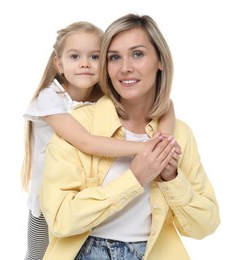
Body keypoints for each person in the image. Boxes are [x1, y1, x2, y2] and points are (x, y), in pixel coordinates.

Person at [39, 14, 220, 260]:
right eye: (114, 57)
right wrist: (135, 178)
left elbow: (205, 226)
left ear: (160, 61)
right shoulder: (79, 125)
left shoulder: (179, 133)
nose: (125, 67)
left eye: (137, 54)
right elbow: (60, 220)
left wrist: (171, 178)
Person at [21, 20, 175, 260]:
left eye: (94, 57)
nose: (84, 63)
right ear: (59, 64)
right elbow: (87, 142)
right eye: (74, 57)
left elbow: (166, 105)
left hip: (86, 196)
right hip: (48, 199)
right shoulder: (49, 99)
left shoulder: (102, 96)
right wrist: (146, 148)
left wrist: (165, 141)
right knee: (39, 255)